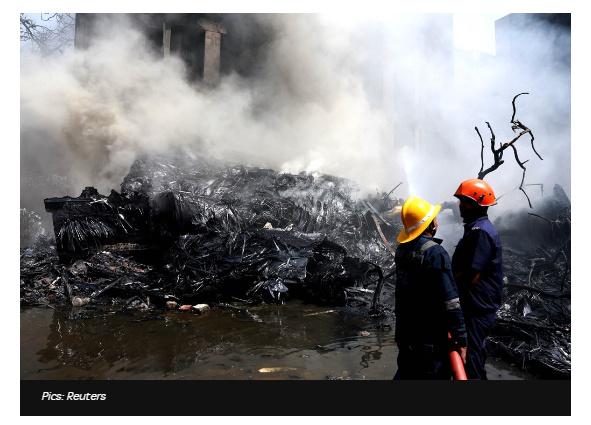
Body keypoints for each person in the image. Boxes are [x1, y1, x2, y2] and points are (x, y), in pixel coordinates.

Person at [393, 196, 467, 379]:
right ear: (430, 224)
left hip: (406, 335)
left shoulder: (401, 251)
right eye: (434, 217)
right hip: (430, 340)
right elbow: (450, 301)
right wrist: (461, 338)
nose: (437, 221)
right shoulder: (436, 253)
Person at [451, 179, 503, 380]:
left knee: (472, 356)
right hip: (476, 303)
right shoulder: (477, 228)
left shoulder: (480, 232)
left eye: (464, 202)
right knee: (473, 353)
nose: (460, 206)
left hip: (477, 305)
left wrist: (449, 287)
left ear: (476, 204)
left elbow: (472, 275)